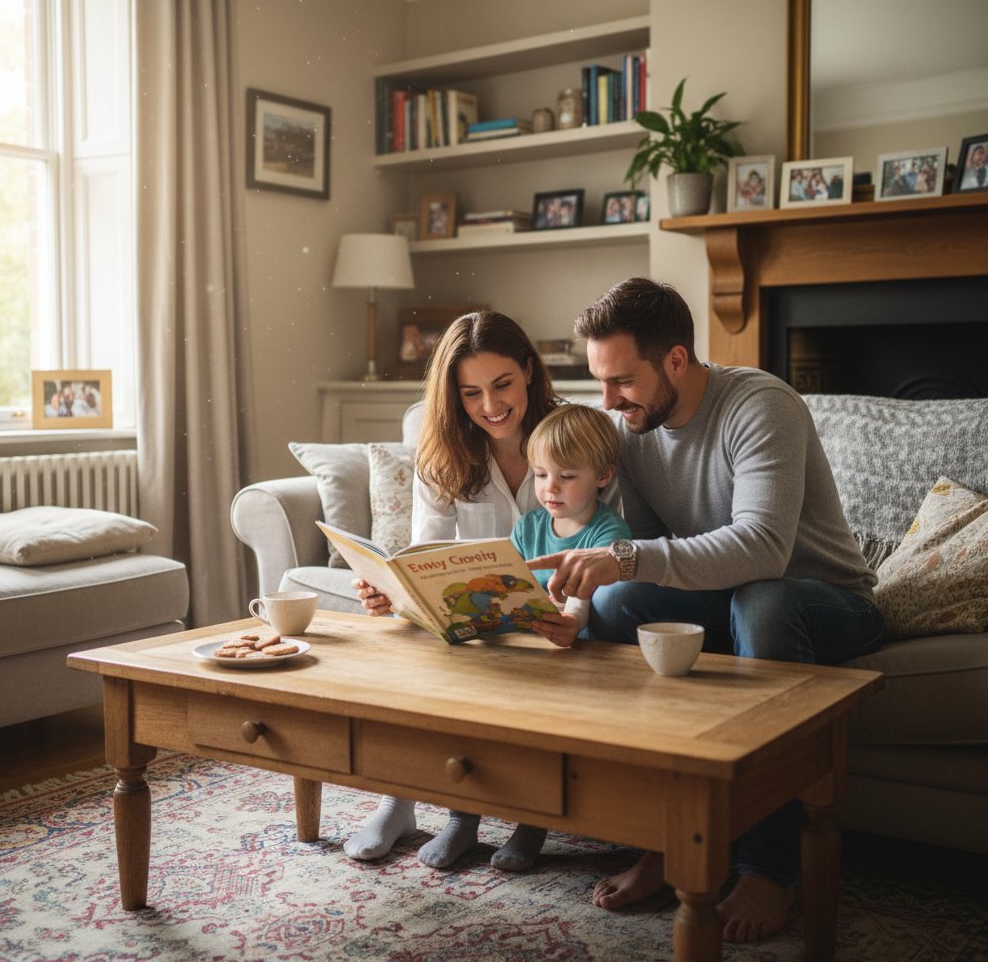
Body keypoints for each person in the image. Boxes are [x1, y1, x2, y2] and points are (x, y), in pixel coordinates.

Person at [527, 278, 884, 944]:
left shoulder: (759, 405)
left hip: (826, 599)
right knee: (618, 599)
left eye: (622, 381)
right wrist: (581, 602)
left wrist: (628, 559)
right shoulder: (629, 430)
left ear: (677, 361)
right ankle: (667, 838)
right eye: (599, 382)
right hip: (728, 599)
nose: (607, 402)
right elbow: (651, 555)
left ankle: (766, 867)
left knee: (763, 601)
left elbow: (765, 549)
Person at [343, 310, 599, 869]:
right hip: (470, 620)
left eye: (503, 384)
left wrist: (574, 612)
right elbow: (423, 555)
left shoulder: (572, 436)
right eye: (471, 393)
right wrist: (394, 595)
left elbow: (602, 541)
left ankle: (527, 820)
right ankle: (405, 801)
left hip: (552, 620)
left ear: (530, 371)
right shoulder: (443, 454)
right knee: (410, 646)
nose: (491, 405)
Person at [484, 403, 631, 871]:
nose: (549, 488)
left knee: (544, 728)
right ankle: (460, 815)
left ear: (603, 475)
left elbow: (589, 601)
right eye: (541, 474)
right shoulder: (528, 527)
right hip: (530, 647)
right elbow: (509, 584)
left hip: (584, 655)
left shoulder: (609, 532)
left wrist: (571, 620)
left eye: (566, 476)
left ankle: (532, 825)